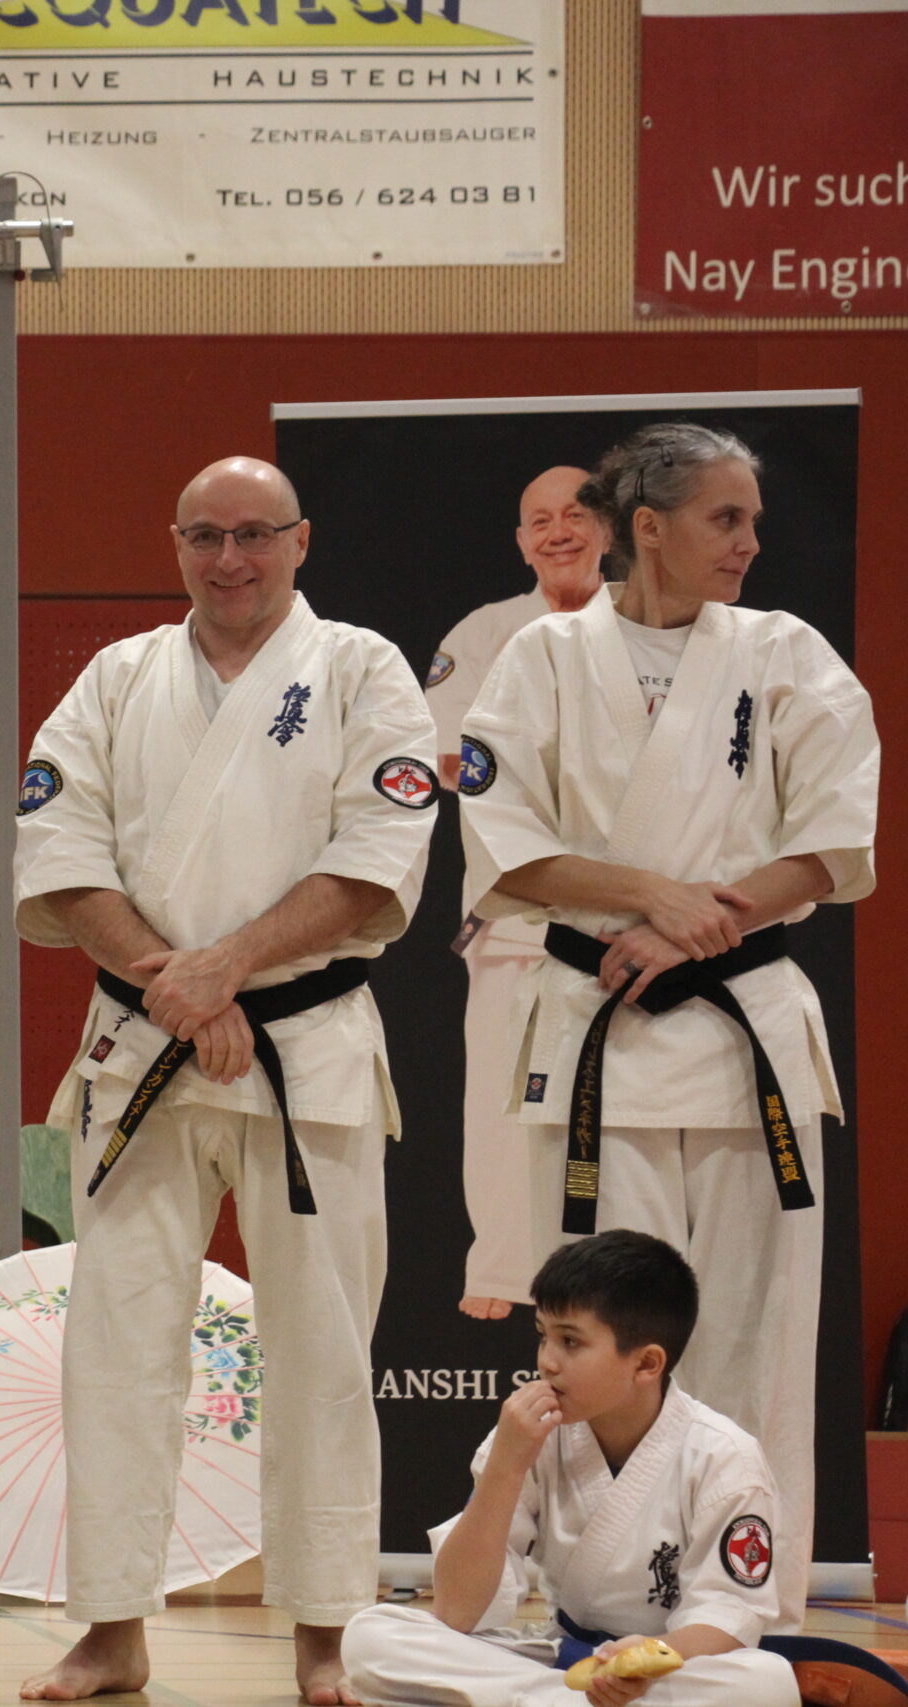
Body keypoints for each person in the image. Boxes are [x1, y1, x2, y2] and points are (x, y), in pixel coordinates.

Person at [14, 457, 439, 1705]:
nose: (230, 559)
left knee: (321, 1345)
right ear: (175, 545)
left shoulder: (361, 669)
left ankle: (323, 1629)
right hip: (145, 1042)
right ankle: (110, 1625)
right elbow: (60, 851)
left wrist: (227, 969)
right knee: (116, 1342)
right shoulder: (117, 676)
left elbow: (377, 856)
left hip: (304, 1049)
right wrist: (181, 986)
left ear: (300, 541)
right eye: (204, 536)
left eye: (254, 534)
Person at [456, 423, 878, 1634]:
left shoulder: (784, 650)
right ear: (647, 527)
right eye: (724, 519)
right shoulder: (541, 657)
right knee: (602, 1346)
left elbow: (834, 841)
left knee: (756, 1336)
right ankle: (608, 1607)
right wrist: (652, 898)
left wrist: (699, 924)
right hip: (600, 1034)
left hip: (746, 1038)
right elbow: (504, 847)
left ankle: (748, 1613)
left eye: (752, 520)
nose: (748, 542)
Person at [342, 1231, 801, 1707]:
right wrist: (505, 1467)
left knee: (764, 1683)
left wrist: (645, 1660)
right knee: (372, 1636)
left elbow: (728, 1614)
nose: (547, 1362)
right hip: (562, 1662)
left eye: (570, 1341)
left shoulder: (724, 1456)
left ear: (646, 1363)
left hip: (666, 1667)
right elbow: (458, 1612)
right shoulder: (528, 1436)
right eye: (543, 1336)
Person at [425, 467, 611, 1319]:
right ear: (521, 541)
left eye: (575, 514)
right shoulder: (486, 631)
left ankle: (607, 1279)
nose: (558, 530)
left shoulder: (646, 626)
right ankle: (502, 1268)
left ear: (610, 528)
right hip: (514, 908)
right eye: (540, 519)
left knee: (614, 1104)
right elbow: (444, 757)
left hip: (624, 911)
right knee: (502, 1098)